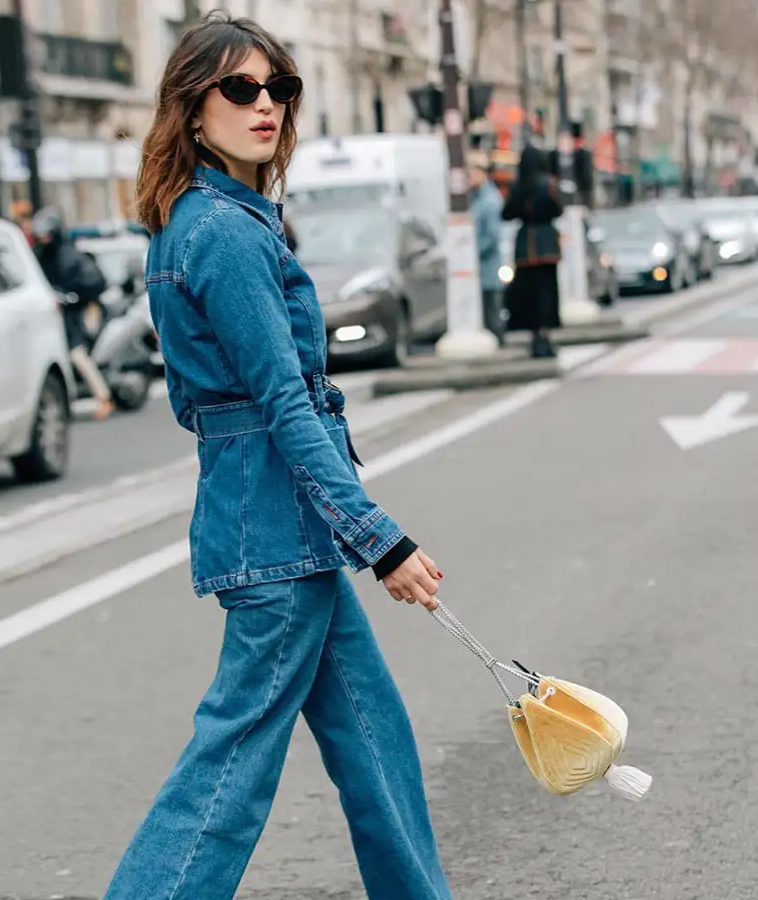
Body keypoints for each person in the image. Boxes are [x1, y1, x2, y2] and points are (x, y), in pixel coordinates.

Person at [102, 12, 453, 900]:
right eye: (240, 89)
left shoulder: (205, 222)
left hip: (278, 527)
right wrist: (384, 541)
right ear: (192, 108)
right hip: (277, 534)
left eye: (279, 88)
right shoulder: (222, 232)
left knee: (376, 740)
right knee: (230, 768)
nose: (266, 105)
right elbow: (285, 405)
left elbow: (198, 403)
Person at [31, 207, 115, 420]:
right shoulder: (41, 256)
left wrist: (73, 295)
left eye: (47, 234)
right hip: (60, 312)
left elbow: (95, 282)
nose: (44, 238)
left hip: (83, 309)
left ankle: (103, 397)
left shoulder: (70, 255)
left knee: (77, 355)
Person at [502, 145, 564, 359]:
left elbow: (506, 213)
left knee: (529, 294)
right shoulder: (548, 185)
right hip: (547, 244)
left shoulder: (518, 186)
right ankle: (545, 335)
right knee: (547, 292)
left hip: (525, 245)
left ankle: (534, 336)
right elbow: (559, 209)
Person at [467, 150, 505, 347]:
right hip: (479, 271)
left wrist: (472, 254)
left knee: (491, 314)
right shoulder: (474, 198)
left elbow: (492, 236)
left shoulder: (489, 200)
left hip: (487, 270)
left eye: (472, 172)